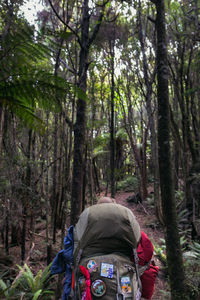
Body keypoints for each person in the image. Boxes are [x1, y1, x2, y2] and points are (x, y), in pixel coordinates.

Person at [51, 196, 158, 300]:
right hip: (123, 285)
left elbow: (70, 255)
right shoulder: (127, 222)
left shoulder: (85, 222)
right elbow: (146, 254)